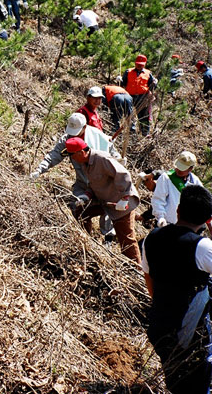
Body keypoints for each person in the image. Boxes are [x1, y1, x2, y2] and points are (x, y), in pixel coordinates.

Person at [142, 184, 212, 393]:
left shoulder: (152, 237)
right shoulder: (202, 247)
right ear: (206, 219)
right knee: (197, 382)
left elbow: (149, 278)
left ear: (178, 210)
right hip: (190, 331)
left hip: (160, 325)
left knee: (175, 377)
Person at [31, 112, 120, 238]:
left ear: (84, 127)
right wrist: (40, 169)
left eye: (77, 131)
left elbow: (114, 155)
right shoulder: (68, 139)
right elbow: (55, 155)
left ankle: (108, 238)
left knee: (108, 210)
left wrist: (119, 161)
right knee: (78, 207)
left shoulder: (98, 136)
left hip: (103, 183)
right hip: (83, 182)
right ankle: (86, 237)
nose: (73, 135)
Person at [64, 137, 141, 263]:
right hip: (105, 202)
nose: (72, 159)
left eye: (72, 155)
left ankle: (137, 270)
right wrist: (86, 196)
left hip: (121, 204)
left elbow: (124, 175)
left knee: (126, 241)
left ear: (80, 152)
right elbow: (95, 184)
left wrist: (125, 198)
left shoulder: (102, 159)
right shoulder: (85, 163)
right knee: (81, 212)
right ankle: (85, 246)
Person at [152, 151, 203, 228]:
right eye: (178, 167)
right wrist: (160, 217)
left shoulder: (195, 182)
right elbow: (158, 199)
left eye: (182, 169)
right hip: (166, 224)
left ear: (190, 169)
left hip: (186, 227)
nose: (178, 170)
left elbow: (201, 203)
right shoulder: (166, 178)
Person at [121, 54, 157, 136]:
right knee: (129, 114)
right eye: (138, 64)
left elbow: (152, 86)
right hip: (130, 96)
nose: (139, 66)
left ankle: (145, 133)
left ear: (144, 64)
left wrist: (155, 83)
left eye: (141, 65)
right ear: (135, 63)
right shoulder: (128, 72)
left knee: (144, 116)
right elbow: (123, 84)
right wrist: (119, 80)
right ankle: (132, 132)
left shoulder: (148, 73)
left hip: (143, 97)